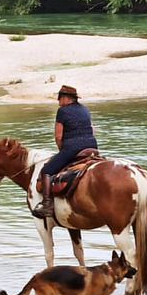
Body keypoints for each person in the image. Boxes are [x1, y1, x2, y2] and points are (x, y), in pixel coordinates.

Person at [34, 85, 98, 219]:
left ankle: (47, 204)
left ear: (64, 98)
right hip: (92, 146)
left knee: (47, 170)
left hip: (73, 148)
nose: (58, 102)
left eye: (59, 99)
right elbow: (92, 130)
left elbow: (58, 136)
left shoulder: (62, 111)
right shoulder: (85, 109)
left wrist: (62, 151)